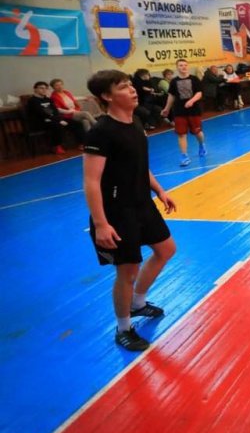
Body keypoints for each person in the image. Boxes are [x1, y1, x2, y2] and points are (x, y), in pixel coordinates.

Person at [83, 70, 178, 352]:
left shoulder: (135, 122)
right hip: (116, 212)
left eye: (130, 85)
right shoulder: (101, 132)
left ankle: (137, 303)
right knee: (127, 271)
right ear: (107, 96)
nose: (132, 90)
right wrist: (101, 224)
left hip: (142, 203)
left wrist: (159, 190)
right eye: (123, 87)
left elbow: (140, 165)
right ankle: (123, 328)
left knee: (166, 249)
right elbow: (91, 181)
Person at [162, 59, 206, 167]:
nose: (183, 67)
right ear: (177, 67)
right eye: (181, 65)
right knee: (181, 134)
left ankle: (202, 145)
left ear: (188, 66)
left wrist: (191, 101)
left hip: (194, 111)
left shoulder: (194, 79)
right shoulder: (173, 82)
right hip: (179, 112)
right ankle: (184, 156)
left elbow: (199, 93)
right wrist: (166, 108)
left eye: (185, 65)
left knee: (197, 132)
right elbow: (171, 96)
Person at [25, 81, 69, 154]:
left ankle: (78, 143)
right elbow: (42, 113)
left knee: (71, 122)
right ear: (35, 89)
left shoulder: (48, 99)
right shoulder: (32, 101)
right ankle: (57, 146)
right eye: (41, 88)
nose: (44, 90)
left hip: (51, 120)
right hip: (39, 122)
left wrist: (59, 119)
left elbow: (55, 111)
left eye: (45, 88)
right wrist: (58, 120)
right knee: (57, 125)